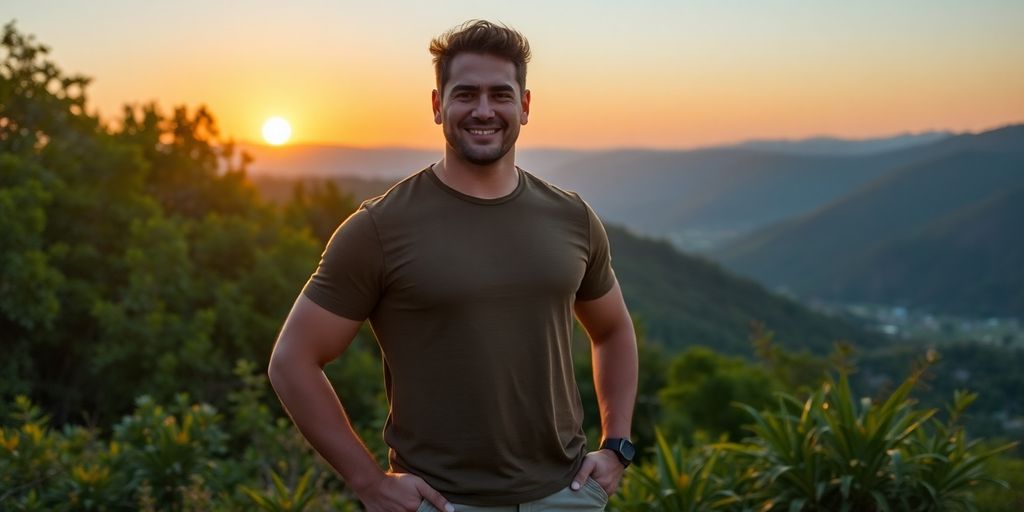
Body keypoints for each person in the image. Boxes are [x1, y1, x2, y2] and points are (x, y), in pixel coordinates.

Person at [268, 20, 638, 512]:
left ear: (524, 106)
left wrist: (617, 446)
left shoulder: (572, 217)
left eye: (500, 95)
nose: (483, 110)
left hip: (566, 496)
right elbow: (292, 361)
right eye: (465, 94)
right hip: (442, 503)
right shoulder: (379, 228)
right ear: (438, 104)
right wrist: (370, 482)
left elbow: (612, 331)